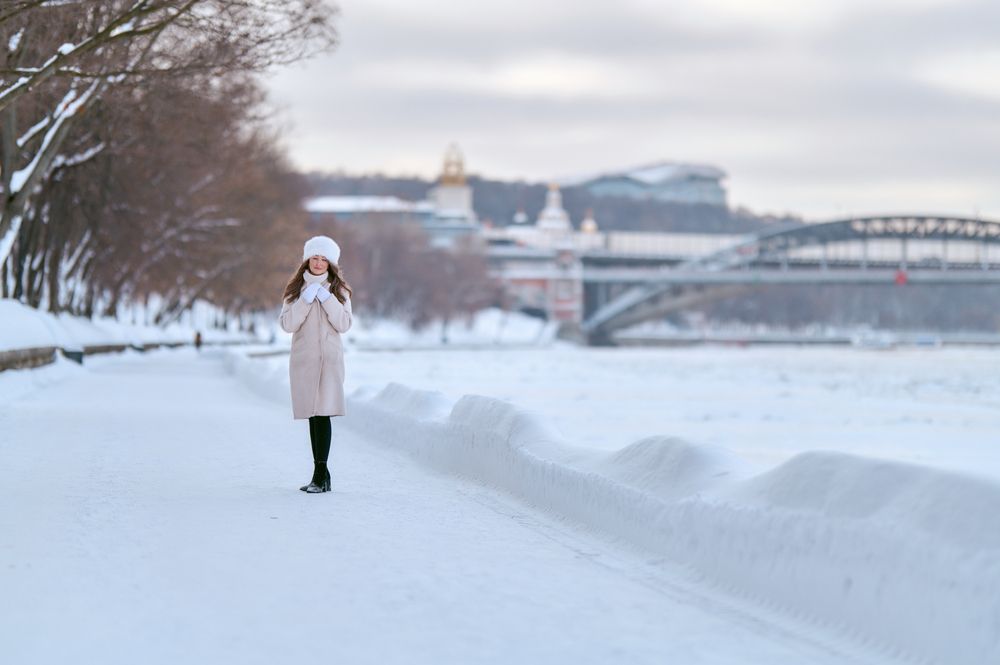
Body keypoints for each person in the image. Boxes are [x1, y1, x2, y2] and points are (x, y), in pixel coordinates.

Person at [279, 235, 353, 493]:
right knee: (313, 415)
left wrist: (326, 298)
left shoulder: (339, 290)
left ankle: (320, 474)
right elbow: (288, 325)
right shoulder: (295, 290)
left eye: (324, 259)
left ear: (331, 263)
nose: (319, 263)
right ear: (307, 259)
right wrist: (305, 300)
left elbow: (344, 324)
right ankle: (321, 475)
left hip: (330, 361)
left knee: (323, 414)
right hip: (304, 361)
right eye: (315, 258)